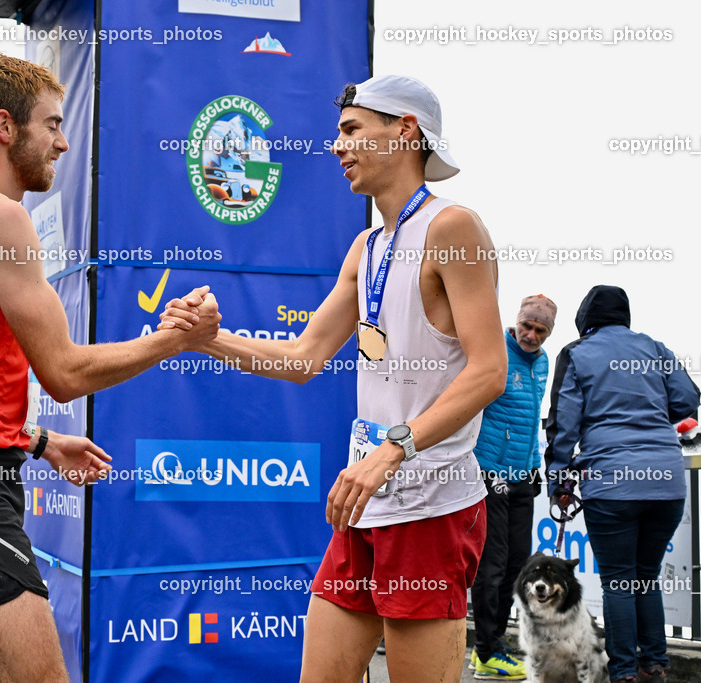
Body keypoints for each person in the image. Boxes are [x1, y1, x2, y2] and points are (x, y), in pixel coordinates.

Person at [0, 52, 220, 683]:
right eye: (53, 125)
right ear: (6, 128)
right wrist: (175, 339)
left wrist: (37, 439)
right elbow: (64, 372)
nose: (65, 142)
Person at [162, 74, 506, 682]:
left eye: (351, 130)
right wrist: (205, 339)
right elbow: (302, 359)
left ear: (405, 131)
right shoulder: (366, 246)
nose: (336, 145)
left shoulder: (453, 228)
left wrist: (392, 450)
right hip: (365, 500)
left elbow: (488, 372)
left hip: (428, 506)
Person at [545, 285, 700, 683]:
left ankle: (625, 673)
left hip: (612, 481)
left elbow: (563, 425)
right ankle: (655, 666)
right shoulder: (655, 348)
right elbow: (688, 399)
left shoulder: (577, 354)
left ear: (585, 321)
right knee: (645, 576)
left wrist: (558, 482)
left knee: (618, 581)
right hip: (666, 480)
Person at [470, 294, 556, 680]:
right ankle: (485, 649)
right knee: (491, 566)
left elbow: (531, 418)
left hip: (523, 475)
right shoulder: (496, 349)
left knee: (517, 567)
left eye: (540, 330)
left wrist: (535, 466)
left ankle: (494, 646)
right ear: (516, 321)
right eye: (527, 325)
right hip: (491, 472)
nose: (531, 335)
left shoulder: (542, 362)